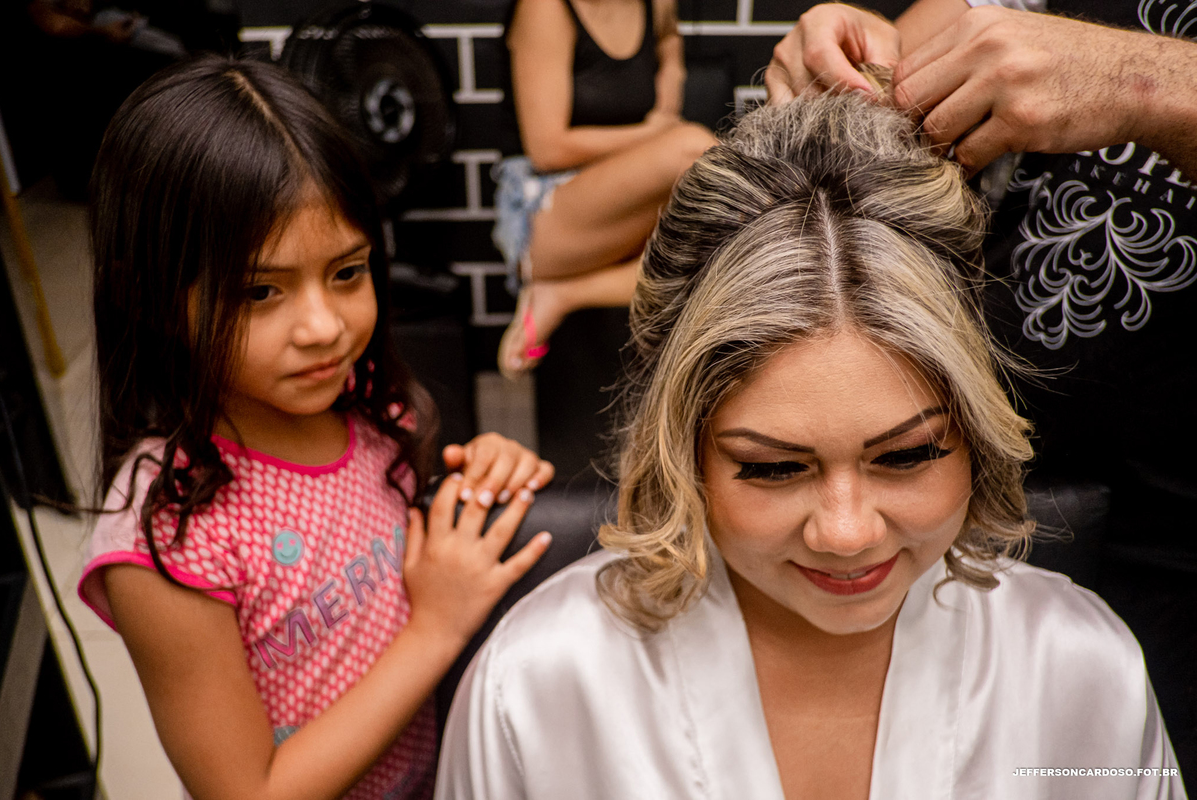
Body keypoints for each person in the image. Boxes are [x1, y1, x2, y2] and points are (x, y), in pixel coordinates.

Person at [435, 92, 1185, 798]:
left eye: (906, 456)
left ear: (976, 433)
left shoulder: (1079, 671)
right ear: (685, 449)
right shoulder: (539, 685)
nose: (847, 533)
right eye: (773, 468)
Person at [76, 56, 557, 800]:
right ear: (154, 298)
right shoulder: (168, 536)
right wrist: (436, 629)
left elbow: (413, 554)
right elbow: (249, 792)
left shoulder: (371, 411)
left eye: (347, 272)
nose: (323, 327)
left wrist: (480, 477)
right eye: (259, 292)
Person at [767, 1, 1197, 784]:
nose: (843, 531)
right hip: (961, 488)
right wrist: (858, 69)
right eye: (768, 464)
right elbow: (916, 49)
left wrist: (1153, 84)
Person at [493, 0, 717, 378]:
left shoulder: (657, 4)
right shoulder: (545, 8)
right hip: (543, 212)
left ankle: (564, 294)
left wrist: (667, 95)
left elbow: (669, 39)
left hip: (621, 200)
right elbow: (547, 150)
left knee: (718, 241)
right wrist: (654, 133)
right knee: (694, 150)